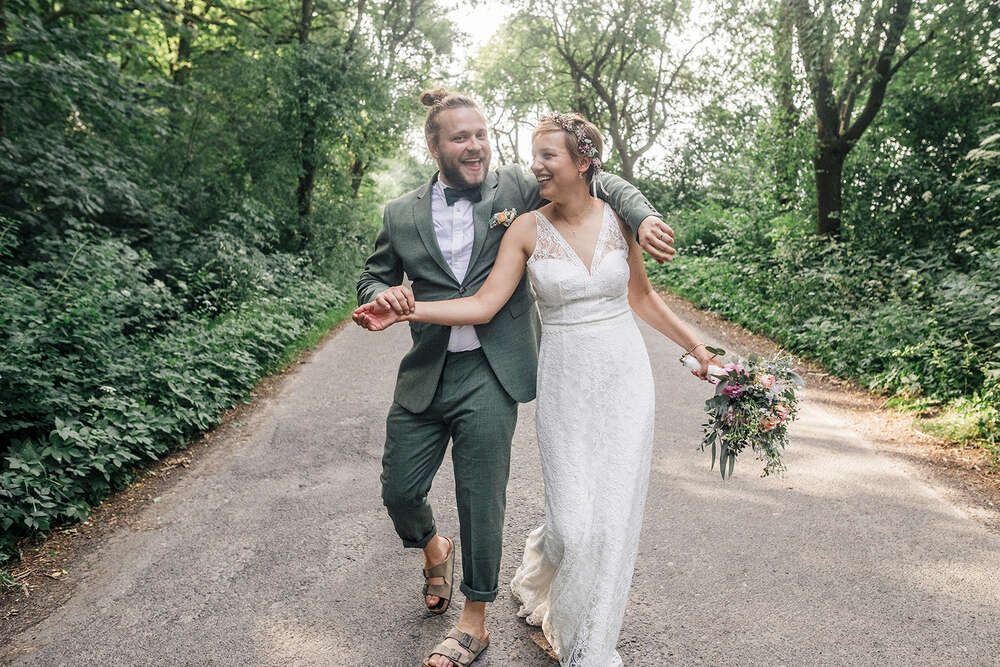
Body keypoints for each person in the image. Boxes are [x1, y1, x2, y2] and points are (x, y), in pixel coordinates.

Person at [355, 110, 716, 666]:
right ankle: (455, 554)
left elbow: (630, 257)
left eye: (483, 135)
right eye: (462, 138)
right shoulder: (442, 215)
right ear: (435, 146)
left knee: (569, 506)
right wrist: (397, 310)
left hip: (572, 376)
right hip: (513, 376)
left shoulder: (563, 200)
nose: (482, 148)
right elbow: (432, 289)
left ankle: (534, 631)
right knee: (420, 494)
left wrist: (696, 342)